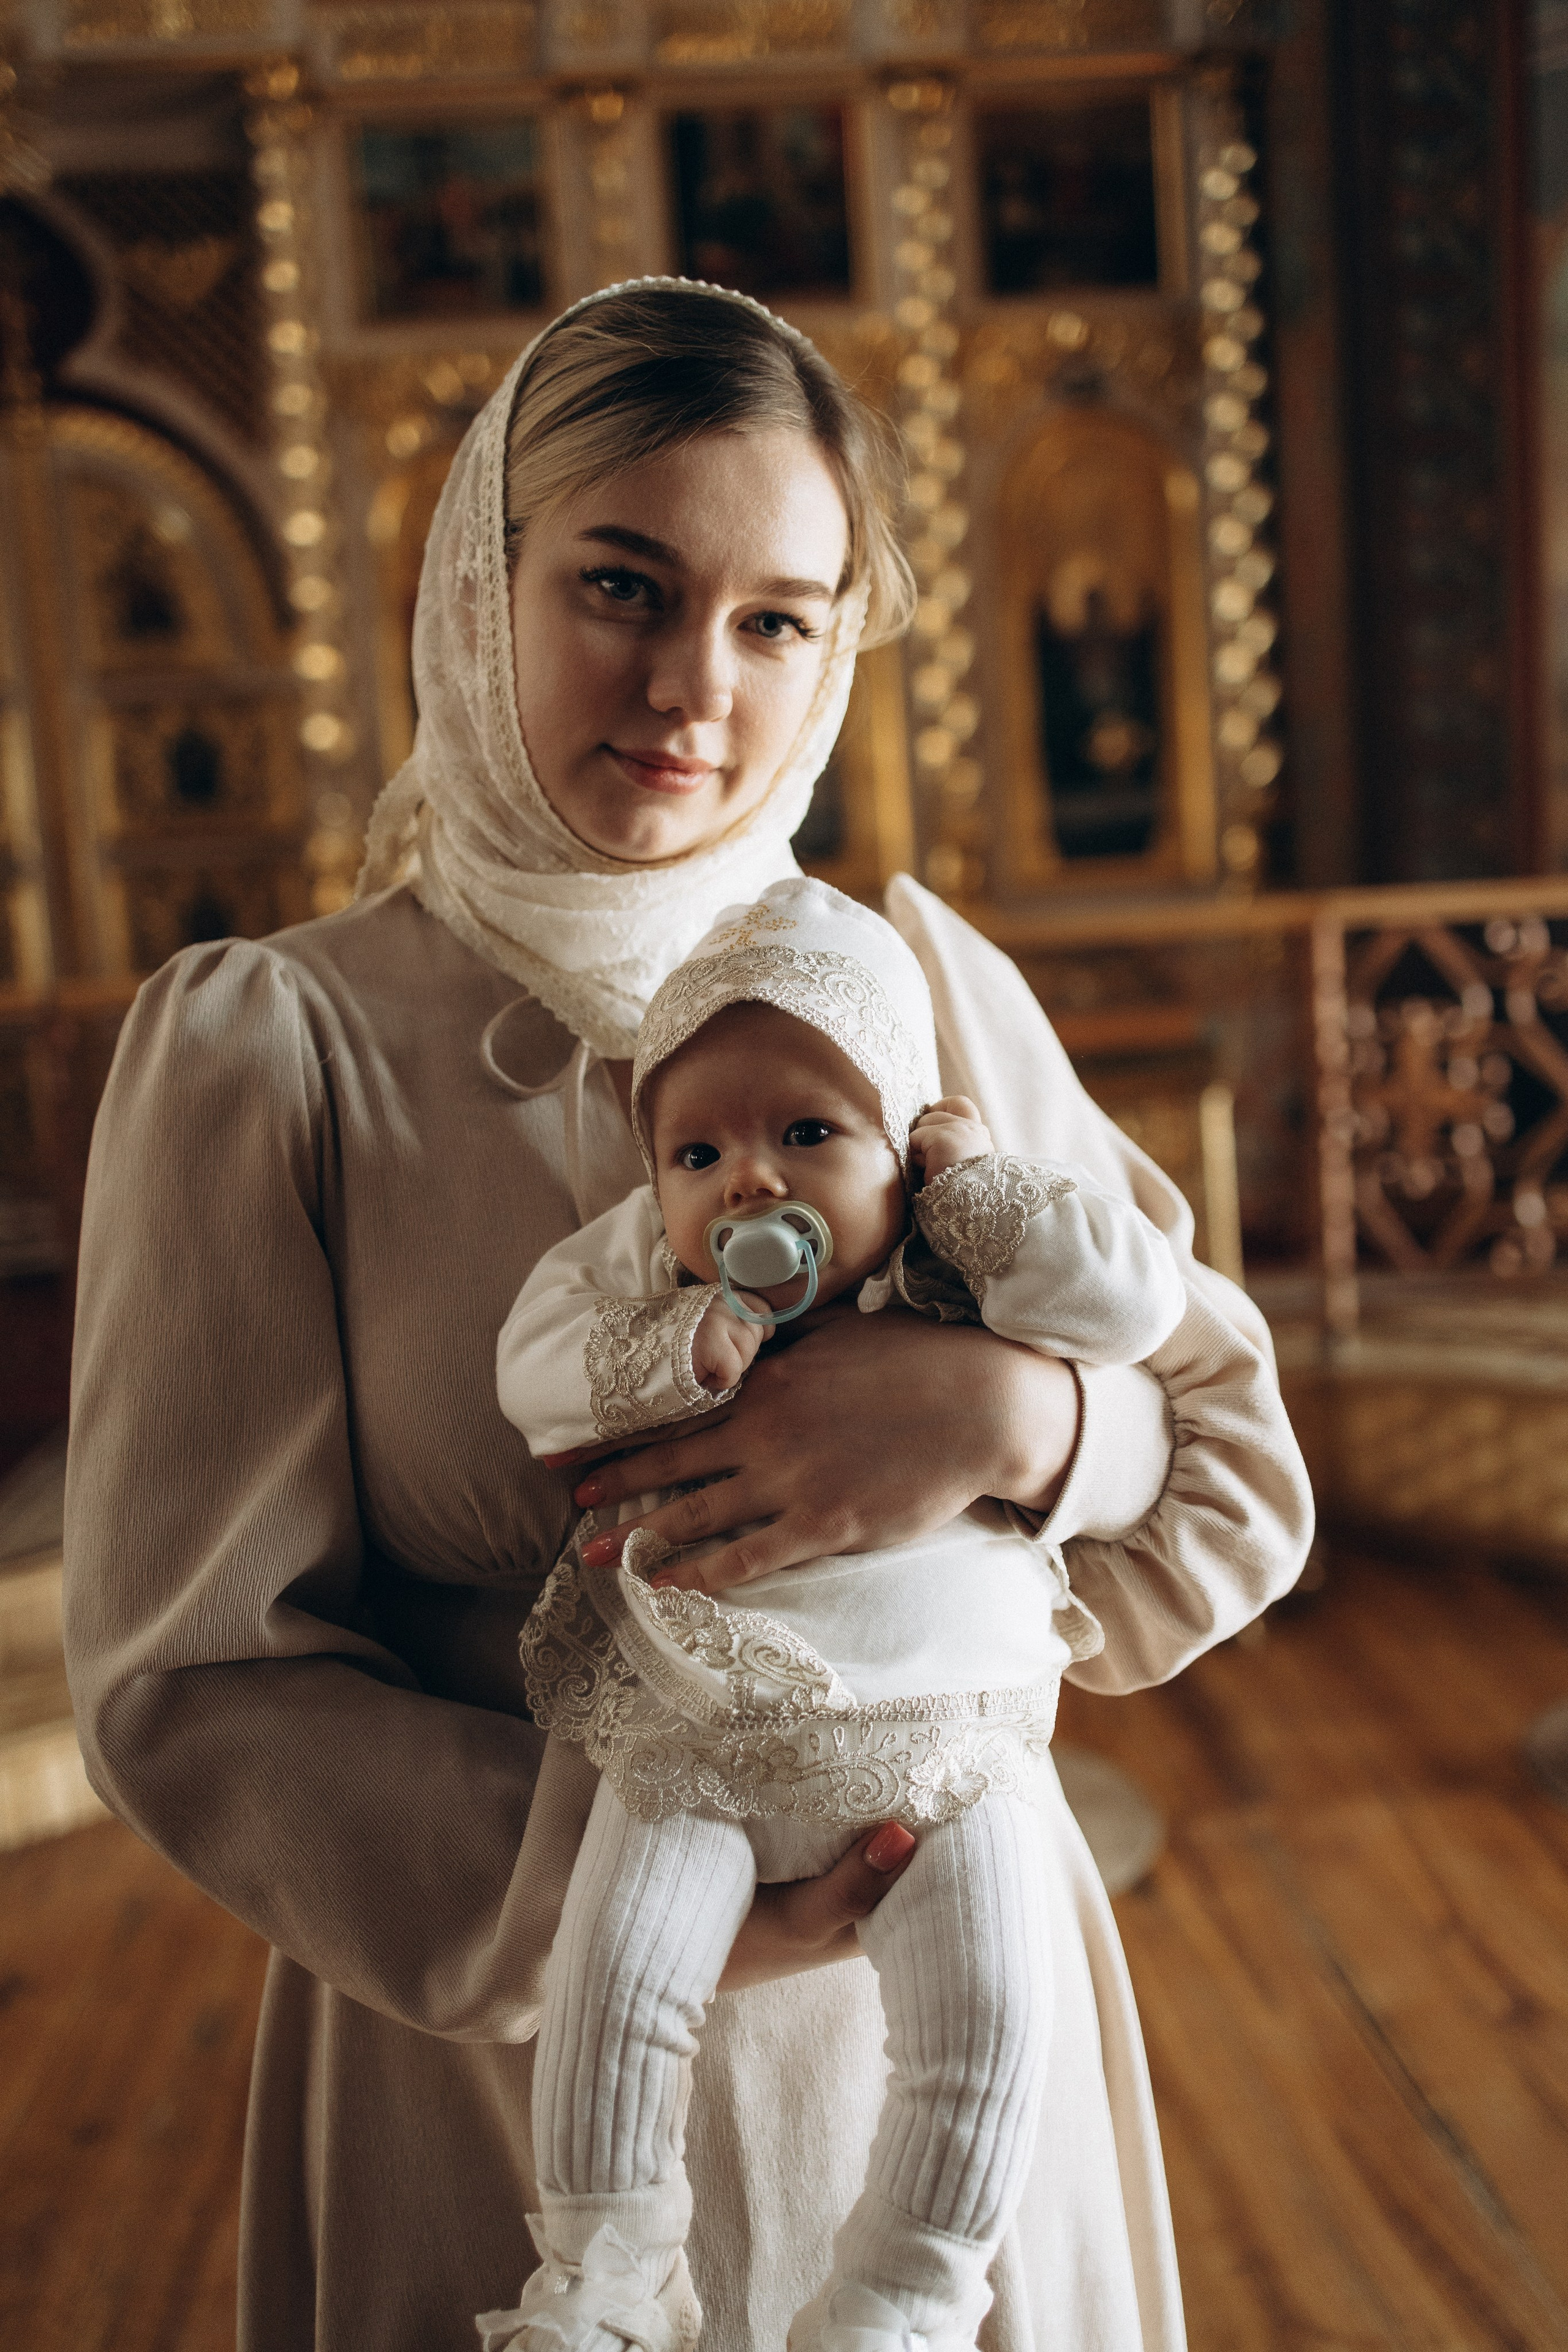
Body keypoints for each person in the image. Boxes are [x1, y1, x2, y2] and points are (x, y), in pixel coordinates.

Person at [62, 278, 1313, 2352]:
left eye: (776, 618)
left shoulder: (921, 979)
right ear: (483, 583)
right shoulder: (270, 1043)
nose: (691, 689)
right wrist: (639, 1910)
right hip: (499, 2074)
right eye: (623, 587)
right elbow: (189, 1681)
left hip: (940, 2060)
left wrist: (1016, 1430)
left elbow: (1233, 1466)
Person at [489, 872, 1208, 2352]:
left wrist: (980, 1184)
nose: (746, 1181)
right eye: (699, 1151)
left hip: (947, 1747)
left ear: (900, 1142)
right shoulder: (649, 1267)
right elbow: (531, 1363)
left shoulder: (963, 1265)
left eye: (807, 1134)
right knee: (612, 1982)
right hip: (704, 1725)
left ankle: (900, 2299)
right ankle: (607, 2279)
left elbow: (1137, 1309)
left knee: (992, 2019)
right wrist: (661, 1354)